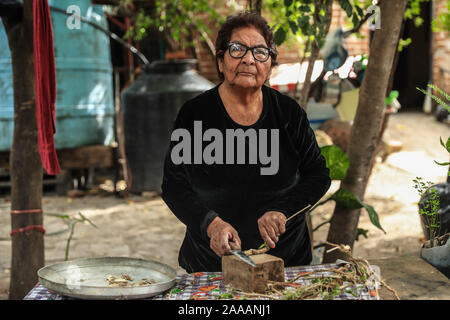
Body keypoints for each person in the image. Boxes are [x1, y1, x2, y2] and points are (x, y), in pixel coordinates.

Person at [161, 11, 331, 273]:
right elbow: (174, 185)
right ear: (221, 61)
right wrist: (212, 224)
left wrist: (283, 211)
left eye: (260, 52)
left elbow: (318, 175)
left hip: (286, 263)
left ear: (270, 64)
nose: (249, 59)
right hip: (211, 265)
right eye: (237, 49)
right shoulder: (195, 114)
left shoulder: (289, 114)